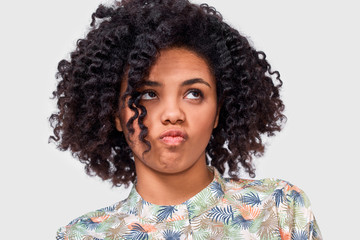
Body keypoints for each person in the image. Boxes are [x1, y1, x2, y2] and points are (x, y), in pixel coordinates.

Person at [51, 0, 322, 239]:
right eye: (146, 95)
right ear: (116, 115)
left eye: (194, 94)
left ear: (218, 111)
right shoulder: (82, 236)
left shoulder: (280, 209)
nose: (172, 114)